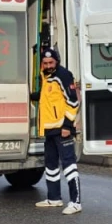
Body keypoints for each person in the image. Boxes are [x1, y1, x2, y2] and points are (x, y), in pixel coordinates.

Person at [34, 47, 82, 214]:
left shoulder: (62, 75)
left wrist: (68, 126)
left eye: (51, 62)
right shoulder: (47, 76)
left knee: (69, 165)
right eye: (45, 63)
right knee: (51, 165)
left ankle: (76, 202)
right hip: (49, 129)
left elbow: (73, 102)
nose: (48, 65)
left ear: (57, 61)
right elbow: (47, 97)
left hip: (62, 129)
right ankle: (54, 198)